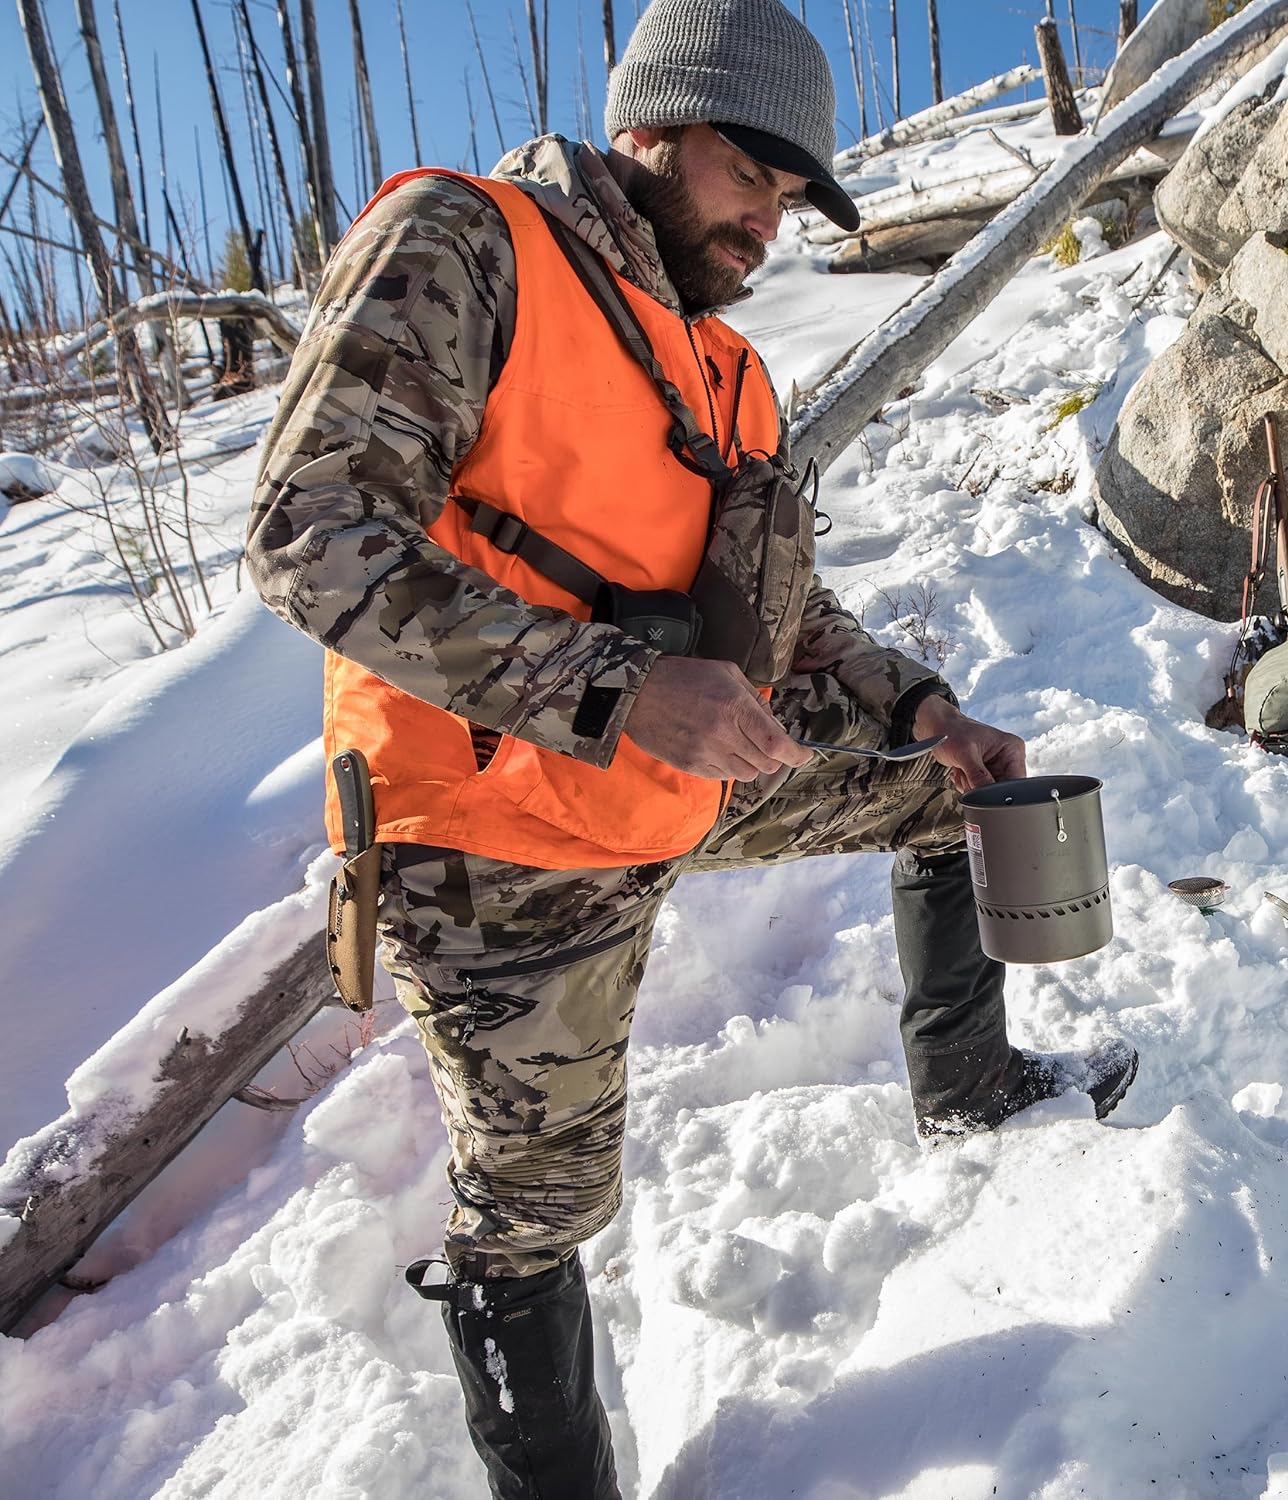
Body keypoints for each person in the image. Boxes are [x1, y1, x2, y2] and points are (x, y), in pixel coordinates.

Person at [247, 0, 1138, 1493]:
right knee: (536, 1211)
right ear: (652, 129)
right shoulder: (469, 247)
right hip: (497, 840)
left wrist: (924, 713)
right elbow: (309, 535)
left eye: (791, 198)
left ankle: (973, 1089)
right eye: (749, 176)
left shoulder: (723, 366)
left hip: (667, 782)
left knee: (944, 797)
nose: (767, 223)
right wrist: (621, 690)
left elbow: (786, 611)